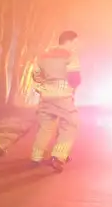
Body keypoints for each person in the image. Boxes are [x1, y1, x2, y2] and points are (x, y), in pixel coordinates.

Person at [31, 30, 82, 172]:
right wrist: (72, 88)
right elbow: (74, 78)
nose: (76, 46)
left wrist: (45, 86)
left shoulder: (44, 54)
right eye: (75, 43)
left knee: (45, 126)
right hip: (63, 95)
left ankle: (36, 156)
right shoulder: (70, 55)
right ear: (69, 41)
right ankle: (58, 155)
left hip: (46, 95)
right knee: (71, 124)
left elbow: (35, 74)